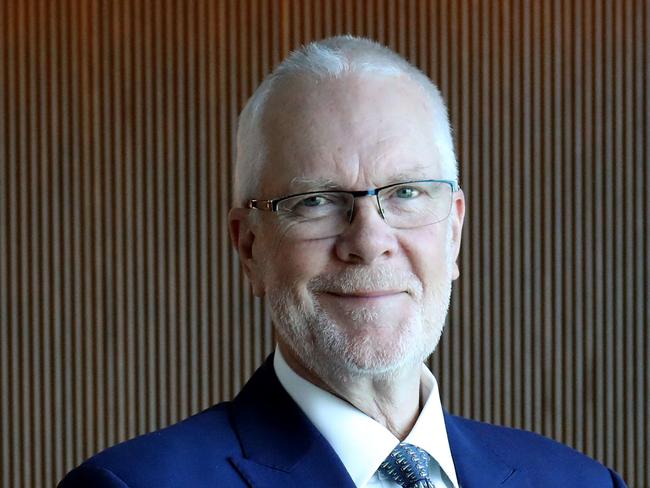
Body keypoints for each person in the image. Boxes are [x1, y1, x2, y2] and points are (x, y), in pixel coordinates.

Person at [59, 36, 626, 487]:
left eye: (406, 192)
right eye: (317, 201)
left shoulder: (583, 481)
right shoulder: (134, 484)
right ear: (250, 248)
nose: (370, 240)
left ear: (453, 230)